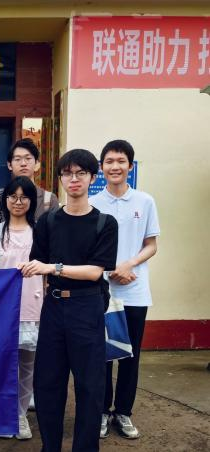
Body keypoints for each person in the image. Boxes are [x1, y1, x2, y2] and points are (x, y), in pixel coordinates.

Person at [19, 148, 118, 452]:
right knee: (48, 383)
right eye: (67, 173)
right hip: (54, 307)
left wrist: (55, 268)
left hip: (87, 307)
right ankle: (50, 446)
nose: (73, 179)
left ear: (92, 177)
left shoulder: (105, 223)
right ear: (60, 178)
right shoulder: (48, 221)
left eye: (80, 173)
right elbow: (37, 265)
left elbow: (95, 272)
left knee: (89, 385)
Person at [90, 139, 160, 440]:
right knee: (103, 354)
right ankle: (102, 411)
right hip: (101, 291)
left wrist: (129, 264)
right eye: (109, 161)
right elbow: (87, 248)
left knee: (131, 355)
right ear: (101, 167)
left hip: (135, 290)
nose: (115, 166)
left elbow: (151, 245)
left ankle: (124, 412)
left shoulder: (144, 201)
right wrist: (109, 270)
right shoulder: (93, 203)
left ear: (130, 166)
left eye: (121, 161)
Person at [0, 176, 42, 441]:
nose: (18, 202)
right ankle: (3, 415)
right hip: (2, 311)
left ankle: (20, 416)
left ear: (32, 201)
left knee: (27, 367)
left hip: (33, 306)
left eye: (24, 197)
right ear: (4, 200)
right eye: (13, 196)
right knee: (2, 365)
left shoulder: (40, 233)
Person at [0, 138, 58, 226]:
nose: (23, 163)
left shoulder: (49, 199)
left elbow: (54, 231)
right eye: (17, 159)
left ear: (37, 164)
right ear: (9, 165)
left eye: (28, 158)